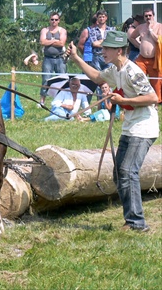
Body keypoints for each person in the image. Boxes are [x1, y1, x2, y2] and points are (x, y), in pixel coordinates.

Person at [68, 31, 159, 232]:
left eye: (106, 49)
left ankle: (137, 223)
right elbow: (97, 76)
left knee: (128, 171)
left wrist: (124, 101)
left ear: (119, 51)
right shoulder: (115, 69)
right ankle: (131, 220)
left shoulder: (132, 72)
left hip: (144, 128)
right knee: (120, 173)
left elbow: (152, 98)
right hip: (130, 127)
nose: (103, 52)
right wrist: (75, 57)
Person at [129, 8, 162, 104]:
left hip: (154, 59)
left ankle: (156, 102)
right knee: (138, 78)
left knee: (156, 81)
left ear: (153, 16)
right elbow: (132, 37)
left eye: (150, 15)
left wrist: (151, 31)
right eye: (146, 16)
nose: (148, 17)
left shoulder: (159, 26)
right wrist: (139, 45)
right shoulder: (140, 27)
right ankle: (140, 100)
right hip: (141, 58)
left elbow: (158, 40)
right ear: (144, 17)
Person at [39, 12, 67, 107]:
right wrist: (55, 41)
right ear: (49, 20)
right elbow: (42, 42)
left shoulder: (62, 30)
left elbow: (62, 43)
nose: (54, 21)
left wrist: (49, 42)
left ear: (58, 21)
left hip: (60, 58)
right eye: (52, 19)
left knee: (62, 79)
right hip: (48, 59)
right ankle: (42, 101)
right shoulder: (45, 30)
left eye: (56, 19)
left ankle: (63, 100)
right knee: (46, 80)